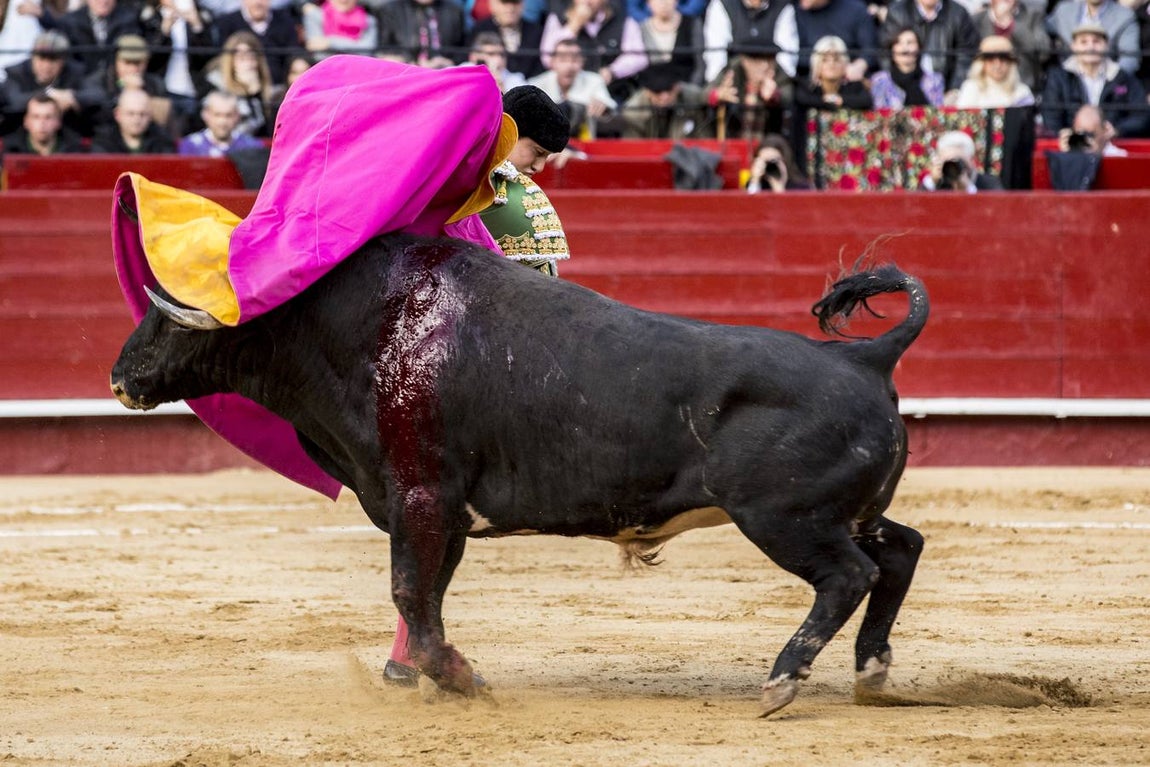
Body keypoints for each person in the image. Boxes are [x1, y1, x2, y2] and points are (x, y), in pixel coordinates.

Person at [382, 83, 572, 687]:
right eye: (536, 153)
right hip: (458, 371)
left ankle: (410, 650)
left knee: (442, 515)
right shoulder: (465, 181)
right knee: (436, 511)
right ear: (509, 133)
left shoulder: (502, 186)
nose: (540, 168)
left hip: (492, 364)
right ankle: (410, 649)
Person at [1041, 22, 1148, 136]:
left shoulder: (1123, 77)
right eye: (1084, 42)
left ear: (1106, 45)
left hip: (1113, 144)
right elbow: (1050, 117)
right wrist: (1066, 134)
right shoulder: (1058, 77)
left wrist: (1117, 130)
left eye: (1096, 41)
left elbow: (1142, 115)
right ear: (1073, 46)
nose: (1090, 47)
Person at [540, 0, 650, 99]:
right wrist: (574, 25)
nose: (587, 2)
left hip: (610, 91)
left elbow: (639, 57)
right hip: (567, 92)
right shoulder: (558, 17)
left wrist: (612, 71)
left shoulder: (622, 19)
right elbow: (547, 57)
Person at [2, 31, 99, 137]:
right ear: (32, 57)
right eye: (42, 58)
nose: (46, 66)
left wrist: (71, 96)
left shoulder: (75, 72)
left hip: (67, 138)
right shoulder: (17, 72)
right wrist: (50, 95)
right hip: (19, 138)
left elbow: (97, 95)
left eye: (53, 59)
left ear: (63, 60)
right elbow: (14, 100)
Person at [138, 0, 216, 127]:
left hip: (193, 91)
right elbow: (149, 60)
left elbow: (208, 58)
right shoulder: (149, 18)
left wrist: (197, 26)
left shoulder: (202, 15)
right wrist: (163, 32)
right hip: (162, 93)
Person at [881, 0, 980, 98]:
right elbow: (886, 52)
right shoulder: (897, 12)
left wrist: (954, 89)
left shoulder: (958, 13)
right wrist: (897, 89)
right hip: (903, 89)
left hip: (947, 90)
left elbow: (965, 56)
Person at [528, 37, 621, 136]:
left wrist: (603, 107)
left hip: (583, 140)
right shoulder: (536, 84)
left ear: (582, 62)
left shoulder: (595, 80)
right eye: (563, 60)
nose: (569, 66)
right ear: (553, 62)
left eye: (574, 60)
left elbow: (610, 106)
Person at [82, 34, 171, 134]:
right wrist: (124, 95)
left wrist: (140, 93)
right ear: (116, 61)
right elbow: (94, 113)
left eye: (138, 63)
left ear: (146, 62)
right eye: (127, 62)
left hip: (147, 139)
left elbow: (163, 120)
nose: (133, 69)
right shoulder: (98, 80)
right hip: (105, 139)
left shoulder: (155, 83)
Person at [706, 36, 791, 138]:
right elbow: (704, 93)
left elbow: (789, 95)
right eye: (757, 61)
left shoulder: (779, 74)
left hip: (768, 143)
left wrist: (774, 97)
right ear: (745, 61)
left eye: (769, 60)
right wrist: (719, 95)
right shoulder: (733, 70)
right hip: (734, 141)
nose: (765, 66)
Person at [701, 0, 800, 82]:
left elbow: (787, 60)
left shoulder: (783, 6)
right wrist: (720, 88)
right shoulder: (721, 4)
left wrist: (774, 86)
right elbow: (716, 58)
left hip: (771, 81)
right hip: (734, 82)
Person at [39, 0, 142, 75]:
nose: (103, 1)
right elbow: (67, 57)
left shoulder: (128, 19)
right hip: (81, 79)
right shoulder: (71, 22)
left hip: (117, 79)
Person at [203, 31, 275, 137]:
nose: (247, 64)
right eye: (241, 58)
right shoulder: (215, 82)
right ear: (230, 60)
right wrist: (244, 94)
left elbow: (264, 128)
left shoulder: (264, 87)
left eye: (251, 58)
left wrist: (255, 95)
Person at [212, 0, 301, 83]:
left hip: (280, 86)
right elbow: (224, 59)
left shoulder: (285, 21)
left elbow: (293, 55)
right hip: (240, 85)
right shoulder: (227, 23)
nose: (257, 3)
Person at [972, 0, 1050, 92]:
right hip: (984, 87)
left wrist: (1014, 25)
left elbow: (1043, 54)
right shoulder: (976, 20)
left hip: (1022, 86)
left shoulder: (1033, 15)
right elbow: (971, 56)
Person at [1047, 0, 1140, 75]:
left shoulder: (1124, 16)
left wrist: (1113, 82)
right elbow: (1038, 28)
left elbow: (1130, 58)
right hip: (1067, 83)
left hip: (1107, 81)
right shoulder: (1064, 10)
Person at [793, 0, 879, 81]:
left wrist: (861, 64)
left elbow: (871, 49)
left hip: (849, 83)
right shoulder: (792, 12)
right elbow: (790, 55)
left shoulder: (855, 10)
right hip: (807, 83)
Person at [622, 60, 709, 136]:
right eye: (657, 91)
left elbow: (705, 139)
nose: (665, 97)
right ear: (647, 92)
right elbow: (635, 150)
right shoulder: (633, 112)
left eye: (669, 89)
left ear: (678, 86)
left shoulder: (695, 99)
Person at [868, 25, 946, 107]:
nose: (905, 49)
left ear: (919, 48)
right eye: (898, 43)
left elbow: (937, 111)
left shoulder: (934, 80)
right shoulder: (880, 80)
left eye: (910, 43)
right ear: (892, 49)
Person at [376, 0, 468, 68]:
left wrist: (449, 62)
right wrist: (409, 62)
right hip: (405, 71)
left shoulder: (453, 10)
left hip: (444, 71)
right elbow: (383, 49)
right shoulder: (390, 10)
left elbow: (462, 48)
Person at [793, 34, 874, 111]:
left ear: (845, 64)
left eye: (836, 59)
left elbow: (867, 100)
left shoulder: (855, 87)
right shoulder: (807, 87)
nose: (831, 64)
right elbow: (802, 99)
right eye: (825, 60)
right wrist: (832, 100)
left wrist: (842, 100)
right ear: (816, 64)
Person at [469, 0, 547, 79]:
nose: (510, 8)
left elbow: (541, 66)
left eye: (515, 3)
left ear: (523, 5)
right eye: (504, 3)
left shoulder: (536, 31)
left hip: (530, 85)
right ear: (492, 4)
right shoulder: (480, 30)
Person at [177, 90, 266, 155]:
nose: (222, 122)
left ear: (237, 116)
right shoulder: (190, 145)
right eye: (217, 115)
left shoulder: (252, 146)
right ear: (205, 115)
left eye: (228, 115)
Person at [954, 33, 1035, 106]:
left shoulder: (1022, 91)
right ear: (982, 63)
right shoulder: (971, 88)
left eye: (1003, 59)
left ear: (1011, 63)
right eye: (991, 59)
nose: (997, 65)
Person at [90, 87, 176, 152]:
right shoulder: (103, 140)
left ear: (150, 115)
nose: (137, 120)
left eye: (142, 114)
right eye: (131, 114)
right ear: (117, 114)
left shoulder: (162, 139)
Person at [639, 0, 704, 84]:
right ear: (648, 3)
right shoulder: (641, 29)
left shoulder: (692, 24)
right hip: (652, 90)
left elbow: (700, 64)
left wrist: (692, 90)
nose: (664, 3)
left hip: (687, 88)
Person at [2, 93, 86, 155]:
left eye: (48, 117)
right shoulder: (9, 151)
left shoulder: (75, 151)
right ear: (26, 121)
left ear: (58, 122)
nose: (42, 123)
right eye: (36, 117)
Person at [922, 129, 1003, 190]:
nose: (953, 166)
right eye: (948, 161)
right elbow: (916, 207)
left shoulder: (989, 183)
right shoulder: (939, 185)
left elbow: (997, 208)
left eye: (959, 160)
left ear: (971, 160)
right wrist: (932, 182)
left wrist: (969, 189)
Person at [302, 0, 379, 59]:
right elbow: (319, 55)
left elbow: (367, 52)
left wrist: (330, 42)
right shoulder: (315, 15)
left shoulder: (368, 20)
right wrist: (355, 45)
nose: (344, 0)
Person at [745, 131, 810, 190]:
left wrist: (780, 189)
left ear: (784, 160)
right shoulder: (757, 184)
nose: (770, 165)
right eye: (765, 161)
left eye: (773, 161)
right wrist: (755, 180)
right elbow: (749, 201)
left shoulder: (801, 187)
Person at [1058, 102, 1126, 154]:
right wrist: (1066, 156)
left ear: (1105, 131)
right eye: (1080, 135)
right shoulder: (1069, 157)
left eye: (1090, 135)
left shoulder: (1121, 159)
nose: (1086, 140)